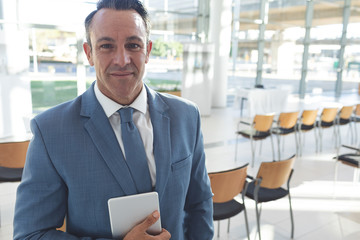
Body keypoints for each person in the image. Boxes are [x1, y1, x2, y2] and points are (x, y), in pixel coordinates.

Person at [13, 0, 214, 239]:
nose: (122, 59)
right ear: (89, 53)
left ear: (148, 51)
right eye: (106, 46)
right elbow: (30, 233)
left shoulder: (186, 116)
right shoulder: (51, 131)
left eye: (133, 45)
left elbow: (199, 203)